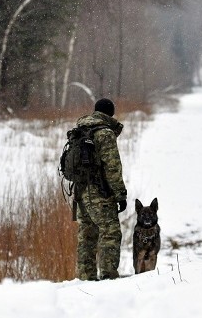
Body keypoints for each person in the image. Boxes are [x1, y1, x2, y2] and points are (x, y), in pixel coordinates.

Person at [74, 98, 127, 280]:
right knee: (110, 231)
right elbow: (112, 167)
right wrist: (120, 194)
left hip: (80, 191)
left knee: (87, 234)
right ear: (110, 114)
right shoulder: (104, 133)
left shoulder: (79, 129)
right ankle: (108, 275)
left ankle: (85, 276)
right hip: (99, 191)